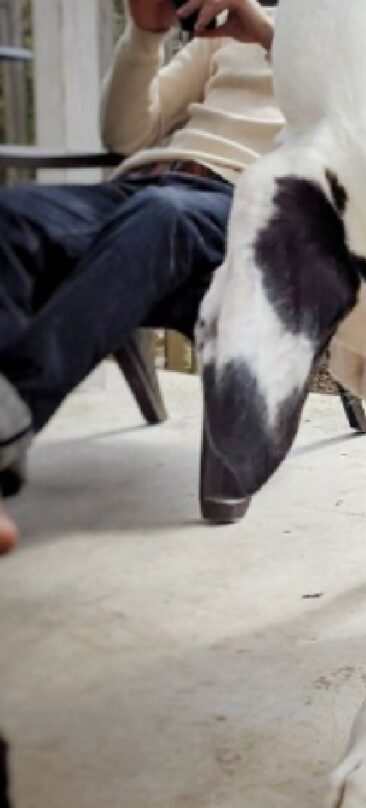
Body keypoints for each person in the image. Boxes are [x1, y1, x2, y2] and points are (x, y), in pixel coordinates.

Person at [0, 0, 283, 552]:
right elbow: (127, 135)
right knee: (10, 220)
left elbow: (351, 118)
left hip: (241, 206)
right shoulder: (218, 38)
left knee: (163, 217)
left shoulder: (343, 41)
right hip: (148, 189)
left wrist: (268, 31)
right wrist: (145, 36)